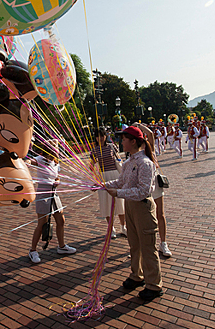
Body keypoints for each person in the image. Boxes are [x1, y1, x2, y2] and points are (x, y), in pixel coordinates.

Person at [105, 126, 163, 301]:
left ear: (133, 141)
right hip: (131, 205)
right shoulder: (129, 162)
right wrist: (105, 184)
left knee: (148, 246)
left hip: (143, 207)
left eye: (124, 139)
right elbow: (122, 181)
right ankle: (137, 275)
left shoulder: (145, 163)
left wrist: (118, 193)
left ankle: (154, 284)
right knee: (134, 244)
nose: (121, 142)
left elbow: (143, 191)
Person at [27, 140, 76, 264]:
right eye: (55, 147)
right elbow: (29, 161)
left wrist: (58, 180)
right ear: (49, 148)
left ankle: (62, 246)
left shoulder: (55, 162)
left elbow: (57, 176)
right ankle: (32, 250)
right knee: (42, 223)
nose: (57, 150)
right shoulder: (40, 159)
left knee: (61, 220)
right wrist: (25, 162)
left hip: (54, 193)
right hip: (43, 193)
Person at [133, 124, 172, 258]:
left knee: (160, 214)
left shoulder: (150, 150)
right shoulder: (134, 154)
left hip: (155, 184)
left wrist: (138, 125)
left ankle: (163, 243)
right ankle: (143, 246)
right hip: (143, 186)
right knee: (143, 217)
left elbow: (150, 134)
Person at [89, 128, 126, 238]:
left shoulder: (111, 146)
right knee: (106, 203)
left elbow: (119, 160)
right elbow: (91, 166)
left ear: (106, 136)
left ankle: (123, 227)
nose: (100, 138)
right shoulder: (95, 150)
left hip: (115, 174)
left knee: (120, 202)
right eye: (97, 136)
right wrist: (95, 176)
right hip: (103, 176)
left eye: (102, 135)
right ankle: (111, 228)